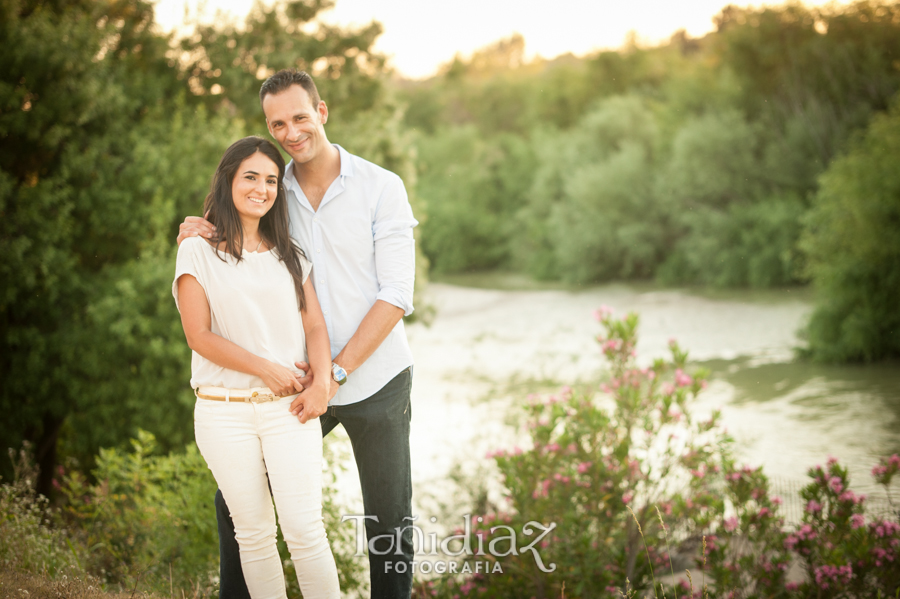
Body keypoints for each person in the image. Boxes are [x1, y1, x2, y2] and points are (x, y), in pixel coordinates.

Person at [177, 69, 417, 599]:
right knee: (239, 502)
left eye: (299, 118)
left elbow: (397, 293)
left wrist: (333, 373)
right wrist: (200, 227)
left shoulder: (382, 187)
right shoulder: (269, 187)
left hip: (373, 378)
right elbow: (234, 240)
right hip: (298, 377)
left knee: (389, 518)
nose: (290, 133)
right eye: (276, 123)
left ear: (322, 112)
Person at [173, 136, 341, 599]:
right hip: (222, 413)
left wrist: (322, 384)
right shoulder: (196, 250)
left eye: (271, 180)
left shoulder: (292, 254)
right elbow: (199, 336)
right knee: (254, 536)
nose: (261, 188)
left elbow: (316, 329)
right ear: (228, 179)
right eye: (250, 176)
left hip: (290, 411)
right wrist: (265, 368)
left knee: (306, 533)